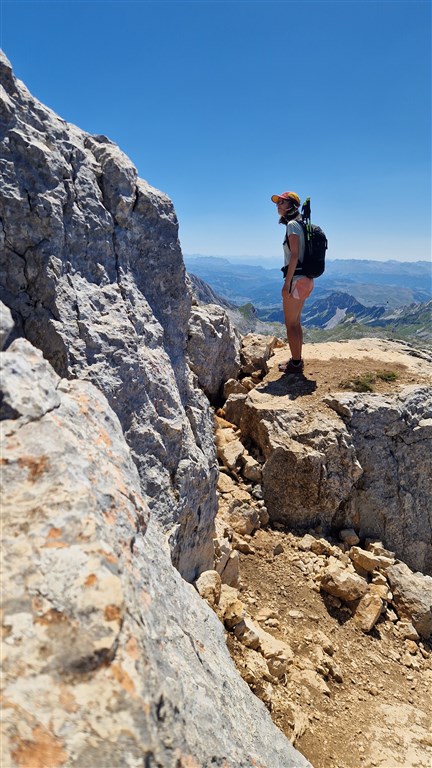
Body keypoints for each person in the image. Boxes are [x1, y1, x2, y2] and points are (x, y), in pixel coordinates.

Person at [271, 191, 314, 374]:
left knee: (290, 324)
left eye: (282, 202)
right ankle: (297, 360)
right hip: (306, 279)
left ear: (292, 206)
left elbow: (294, 255)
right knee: (296, 322)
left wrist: (287, 283)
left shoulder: (292, 225)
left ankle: (295, 364)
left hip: (296, 280)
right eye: (278, 202)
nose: (278, 205)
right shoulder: (302, 224)